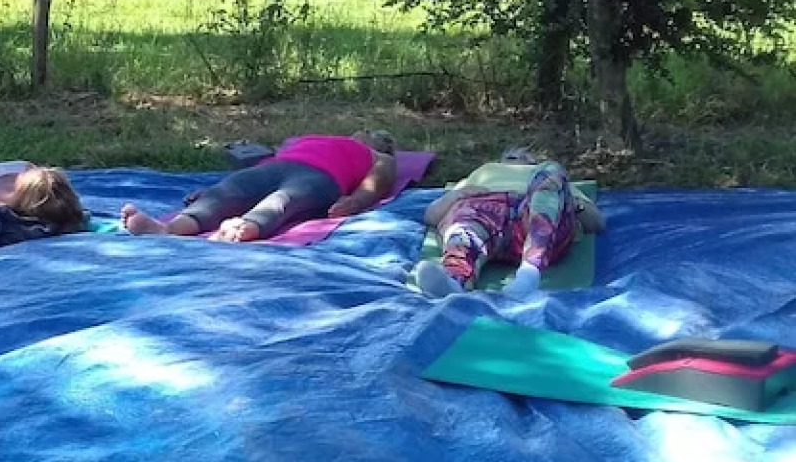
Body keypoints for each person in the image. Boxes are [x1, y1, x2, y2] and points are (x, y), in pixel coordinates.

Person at [120, 131, 399, 242]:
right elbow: (267, 164)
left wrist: (357, 201)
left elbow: (380, 179)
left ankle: (245, 227)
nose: (366, 133)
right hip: (275, 167)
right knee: (229, 190)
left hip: (322, 177)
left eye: (376, 135)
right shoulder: (313, 138)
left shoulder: (376, 155)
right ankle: (167, 229)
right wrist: (214, 191)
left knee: (284, 200)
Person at [415, 151, 605, 298]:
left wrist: (568, 203)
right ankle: (454, 282)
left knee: (552, 172)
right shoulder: (483, 172)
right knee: (464, 230)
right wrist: (457, 195)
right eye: (511, 156)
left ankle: (528, 276)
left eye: (523, 156)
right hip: (483, 211)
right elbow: (432, 215)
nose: (517, 159)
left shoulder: (545, 174)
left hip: (534, 216)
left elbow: (596, 223)